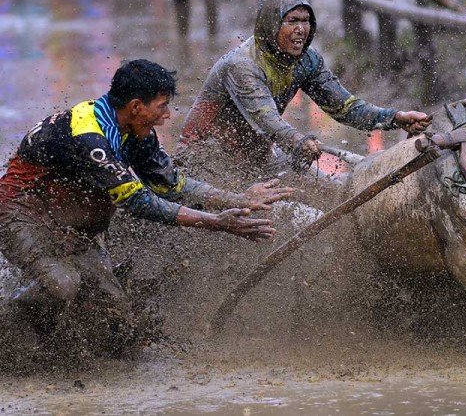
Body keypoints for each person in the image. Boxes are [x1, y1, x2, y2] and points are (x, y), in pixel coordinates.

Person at [0, 59, 294, 355]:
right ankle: (11, 334)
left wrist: (238, 199)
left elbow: (172, 185)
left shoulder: (134, 132)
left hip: (75, 228)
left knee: (117, 317)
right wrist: (216, 222)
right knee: (64, 284)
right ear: (137, 106)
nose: (168, 115)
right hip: (22, 214)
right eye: (163, 105)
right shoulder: (89, 138)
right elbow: (140, 202)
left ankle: (64, 352)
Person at [179, 0, 432, 176]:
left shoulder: (306, 60)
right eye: (292, 21)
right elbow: (267, 122)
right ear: (270, 24)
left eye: (306, 21)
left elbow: (345, 107)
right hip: (208, 163)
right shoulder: (242, 66)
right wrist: (300, 143)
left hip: (260, 158)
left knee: (334, 190)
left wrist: (394, 118)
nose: (301, 29)